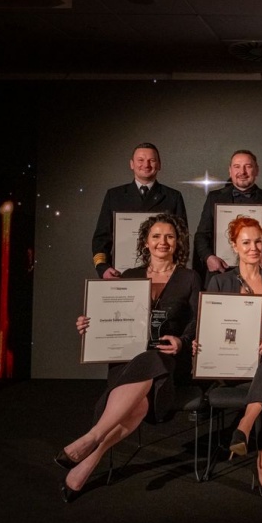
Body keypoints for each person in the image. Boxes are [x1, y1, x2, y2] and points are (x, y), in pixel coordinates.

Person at [58, 213, 199, 502]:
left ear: (178, 242)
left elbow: (198, 321)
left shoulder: (189, 278)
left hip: (167, 362)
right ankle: (90, 458)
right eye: (156, 236)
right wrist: (89, 324)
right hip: (127, 361)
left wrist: (182, 342)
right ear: (146, 242)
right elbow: (109, 317)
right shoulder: (130, 276)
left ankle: (91, 438)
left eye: (169, 236)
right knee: (138, 404)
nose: (163, 242)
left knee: (154, 358)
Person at [201, 217, 262, 500]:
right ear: (234, 245)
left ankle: (245, 427)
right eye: (246, 242)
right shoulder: (220, 281)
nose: (254, 248)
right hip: (231, 365)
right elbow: (208, 326)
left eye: (258, 241)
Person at [91, 143, 187, 279]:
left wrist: (177, 271)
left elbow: (182, 239)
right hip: (120, 273)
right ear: (132, 164)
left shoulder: (173, 197)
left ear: (159, 165)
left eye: (151, 160)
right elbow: (101, 237)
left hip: (164, 274)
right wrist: (103, 268)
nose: (146, 165)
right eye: (140, 160)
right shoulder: (114, 196)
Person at [193, 150, 262, 286]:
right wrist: (208, 257)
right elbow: (201, 234)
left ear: (256, 170)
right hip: (221, 271)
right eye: (237, 166)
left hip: (257, 271)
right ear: (230, 170)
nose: (242, 172)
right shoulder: (214, 198)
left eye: (248, 166)